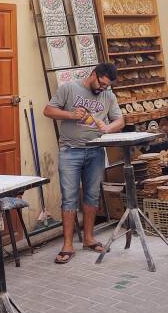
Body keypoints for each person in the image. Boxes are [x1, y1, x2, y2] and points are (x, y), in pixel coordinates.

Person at [43, 63, 124, 265]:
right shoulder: (69, 88)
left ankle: (88, 239)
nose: (103, 89)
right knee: (69, 197)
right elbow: (48, 110)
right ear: (94, 75)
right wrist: (71, 115)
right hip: (70, 151)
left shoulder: (108, 95)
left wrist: (108, 127)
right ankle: (67, 245)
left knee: (92, 195)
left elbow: (120, 121)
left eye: (107, 86)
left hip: (96, 151)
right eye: (102, 84)